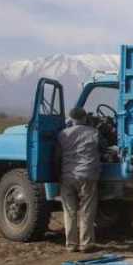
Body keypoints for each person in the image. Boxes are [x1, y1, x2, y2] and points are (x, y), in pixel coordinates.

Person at [55, 107, 102, 252]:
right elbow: (104, 148)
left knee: (69, 211)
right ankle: (86, 243)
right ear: (85, 118)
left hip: (67, 176)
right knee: (87, 209)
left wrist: (58, 175)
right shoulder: (94, 132)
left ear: (71, 118)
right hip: (88, 175)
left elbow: (57, 156)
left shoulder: (62, 134)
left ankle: (71, 244)